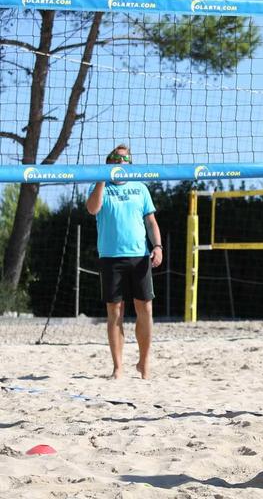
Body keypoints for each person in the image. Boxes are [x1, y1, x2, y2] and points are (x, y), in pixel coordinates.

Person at [86, 144, 162, 380]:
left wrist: (157, 246)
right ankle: (118, 367)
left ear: (130, 163)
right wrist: (101, 178)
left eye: (123, 159)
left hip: (139, 255)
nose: (119, 162)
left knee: (145, 310)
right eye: (114, 159)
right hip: (110, 256)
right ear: (109, 162)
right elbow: (92, 209)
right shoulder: (100, 185)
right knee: (114, 311)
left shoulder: (140, 187)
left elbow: (150, 221)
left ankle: (143, 363)